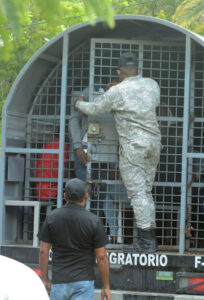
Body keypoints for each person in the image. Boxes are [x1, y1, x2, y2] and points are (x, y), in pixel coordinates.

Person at [74, 52, 161, 253]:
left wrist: (78, 103)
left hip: (133, 146)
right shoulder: (152, 85)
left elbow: (95, 109)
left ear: (119, 72)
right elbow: (151, 103)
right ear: (139, 71)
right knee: (146, 192)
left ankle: (146, 243)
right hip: (153, 144)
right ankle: (150, 239)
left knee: (138, 193)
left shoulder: (117, 92)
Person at [39, 178, 111, 300]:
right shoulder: (93, 221)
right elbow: (102, 257)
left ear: (64, 196)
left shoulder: (52, 218)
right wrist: (106, 286)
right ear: (86, 196)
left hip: (59, 281)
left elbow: (43, 251)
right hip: (83, 282)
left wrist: (45, 279)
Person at [68, 83, 119, 243]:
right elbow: (73, 120)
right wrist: (77, 146)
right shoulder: (89, 93)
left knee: (100, 197)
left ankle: (93, 236)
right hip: (84, 153)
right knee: (83, 194)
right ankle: (82, 236)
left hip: (106, 156)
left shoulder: (121, 98)